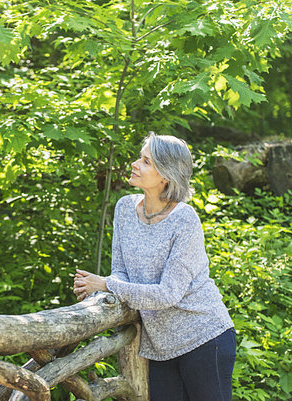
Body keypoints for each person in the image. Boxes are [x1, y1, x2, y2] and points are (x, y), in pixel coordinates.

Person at [73, 132, 236, 401]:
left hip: (206, 338)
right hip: (161, 347)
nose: (136, 164)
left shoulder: (184, 219)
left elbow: (168, 293)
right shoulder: (125, 208)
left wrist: (105, 284)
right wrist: (97, 292)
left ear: (166, 175)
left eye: (146, 161)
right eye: (141, 158)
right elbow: (121, 272)